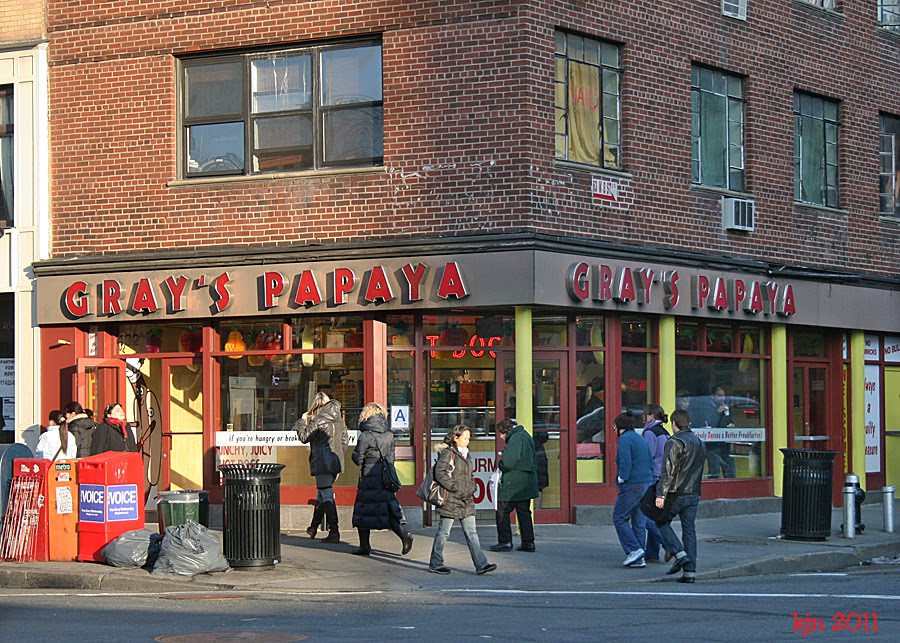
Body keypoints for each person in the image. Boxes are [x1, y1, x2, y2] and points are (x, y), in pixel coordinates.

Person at [428, 425, 497, 575]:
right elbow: (440, 473)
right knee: (443, 532)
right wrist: (455, 487)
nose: (468, 441)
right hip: (451, 499)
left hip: (465, 499)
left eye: (469, 438)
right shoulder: (448, 453)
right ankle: (436, 562)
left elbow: (469, 475)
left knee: (472, 532)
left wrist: (472, 486)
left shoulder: (466, 454)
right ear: (456, 438)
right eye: (465, 438)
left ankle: (481, 564)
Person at [350, 402, 414, 556]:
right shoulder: (389, 434)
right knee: (389, 510)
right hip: (385, 478)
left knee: (363, 510)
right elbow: (391, 457)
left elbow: (358, 459)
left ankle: (364, 546)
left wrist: (355, 454)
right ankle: (404, 535)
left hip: (369, 477)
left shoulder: (365, 436)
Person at [655, 408, 707, 584]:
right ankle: (690, 572)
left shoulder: (674, 442)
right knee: (689, 530)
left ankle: (679, 553)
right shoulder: (699, 442)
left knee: (661, 522)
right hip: (694, 492)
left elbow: (668, 471)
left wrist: (661, 494)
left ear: (674, 424)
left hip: (676, 492)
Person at [293, 392, 349, 544]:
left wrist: (301, 422)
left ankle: (334, 531)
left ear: (316, 405)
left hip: (323, 463)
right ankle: (313, 527)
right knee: (322, 495)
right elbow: (345, 440)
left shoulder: (318, 420)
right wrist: (338, 457)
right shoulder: (339, 420)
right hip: (334, 462)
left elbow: (304, 437)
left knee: (327, 495)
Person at [489, 418, 539, 553]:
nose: (500, 436)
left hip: (513, 483)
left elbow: (509, 462)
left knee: (502, 510)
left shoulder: (516, 438)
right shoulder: (525, 435)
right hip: (525, 482)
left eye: (501, 433)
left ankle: (505, 541)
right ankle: (528, 542)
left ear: (506, 430)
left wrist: (500, 464)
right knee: (524, 512)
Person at [613, 412, 654, 568]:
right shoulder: (639, 437)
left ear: (619, 427)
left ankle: (634, 550)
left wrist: (621, 478)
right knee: (639, 522)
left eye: (614, 426)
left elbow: (625, 461)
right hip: (646, 482)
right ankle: (639, 556)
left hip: (632, 485)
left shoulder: (624, 440)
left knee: (619, 518)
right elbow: (649, 459)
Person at [641, 404, 671, 564]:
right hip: (663, 476)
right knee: (653, 513)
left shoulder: (650, 433)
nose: (643, 418)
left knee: (645, 515)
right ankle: (652, 554)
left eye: (645, 415)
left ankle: (668, 544)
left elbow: (647, 455)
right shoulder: (664, 432)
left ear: (651, 415)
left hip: (652, 476)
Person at [690, 386, 736, 479]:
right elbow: (708, 422)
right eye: (719, 395)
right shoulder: (706, 407)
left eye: (723, 396)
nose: (722, 398)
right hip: (712, 445)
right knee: (714, 470)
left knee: (729, 469)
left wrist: (731, 424)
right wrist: (718, 411)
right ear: (713, 396)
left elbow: (729, 421)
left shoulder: (726, 407)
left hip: (724, 443)